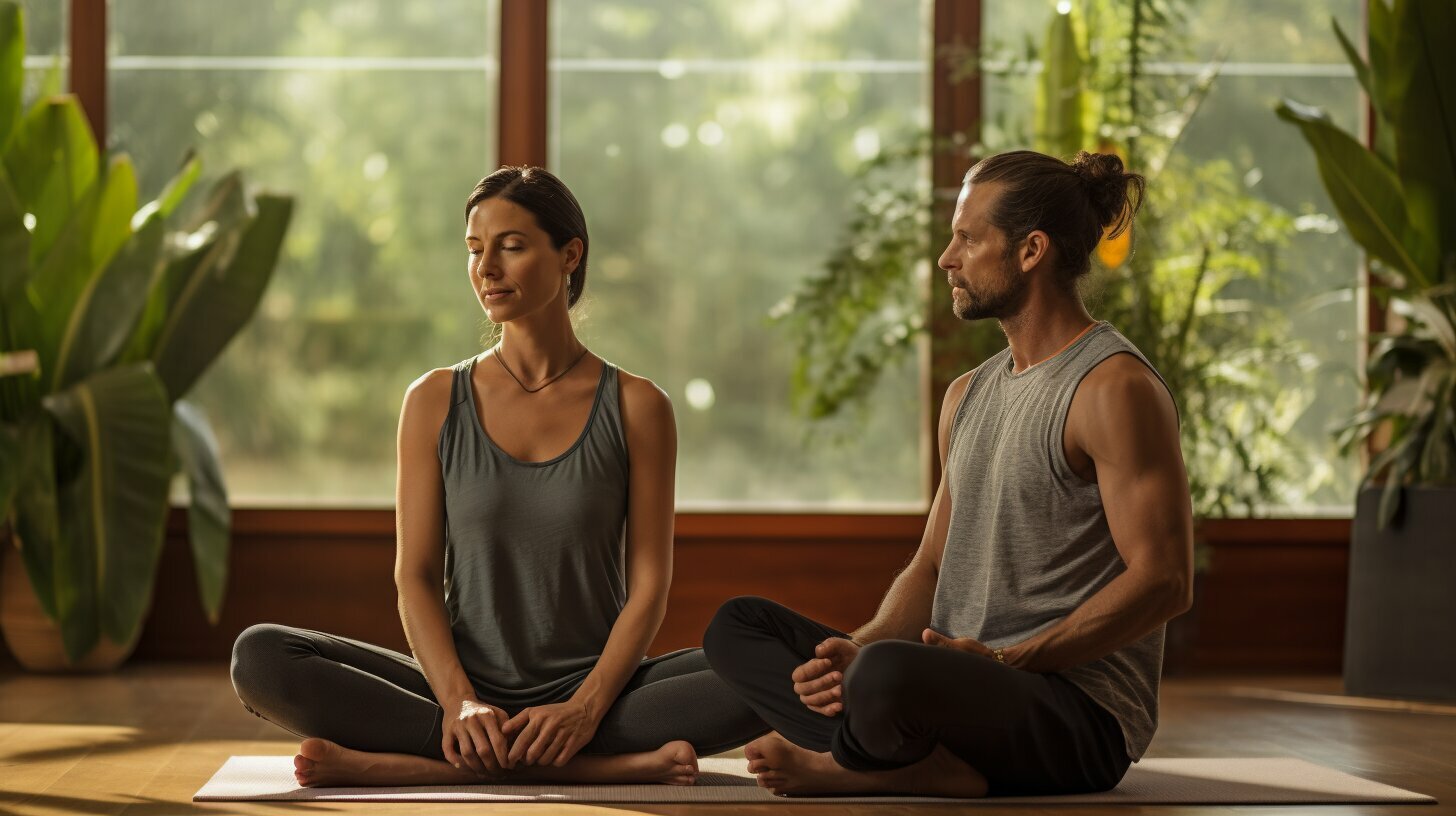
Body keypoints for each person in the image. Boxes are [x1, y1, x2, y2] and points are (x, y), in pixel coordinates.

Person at [230, 166, 765, 788]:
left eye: (511, 246)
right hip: (457, 689)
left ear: (570, 254)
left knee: (774, 665)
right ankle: (594, 769)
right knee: (262, 656)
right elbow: (417, 576)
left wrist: (584, 708)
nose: (486, 268)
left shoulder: (639, 406)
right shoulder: (433, 400)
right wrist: (459, 701)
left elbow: (650, 586)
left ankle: (417, 764)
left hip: (600, 695)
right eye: (475, 249)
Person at [703, 149, 1195, 797]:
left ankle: (859, 764)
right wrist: (854, 653)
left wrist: (1005, 660)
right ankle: (918, 758)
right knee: (738, 626)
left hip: (1072, 713)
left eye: (967, 238)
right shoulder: (967, 394)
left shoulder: (1111, 388)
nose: (946, 258)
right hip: (948, 687)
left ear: (1031, 250)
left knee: (890, 678)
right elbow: (932, 566)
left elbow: (1165, 581)